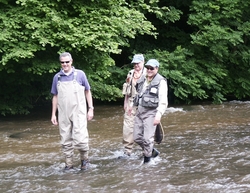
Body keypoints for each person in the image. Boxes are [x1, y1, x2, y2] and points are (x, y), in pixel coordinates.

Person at [50, 52, 94, 170]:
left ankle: (85, 160)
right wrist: (53, 114)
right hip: (63, 113)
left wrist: (91, 108)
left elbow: (87, 91)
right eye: (62, 62)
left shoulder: (80, 74)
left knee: (80, 139)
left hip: (79, 112)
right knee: (65, 140)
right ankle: (69, 164)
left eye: (67, 62)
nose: (65, 64)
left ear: (71, 61)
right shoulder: (57, 77)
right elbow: (55, 96)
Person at [133, 59, 168, 163]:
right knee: (136, 137)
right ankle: (152, 151)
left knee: (147, 139)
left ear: (157, 69)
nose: (149, 70)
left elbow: (163, 101)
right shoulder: (143, 79)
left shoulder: (161, 82)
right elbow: (137, 95)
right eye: (148, 68)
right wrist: (132, 106)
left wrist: (159, 115)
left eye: (152, 68)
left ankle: (147, 161)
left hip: (151, 113)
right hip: (139, 111)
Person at [119, 54, 147, 158]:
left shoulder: (148, 73)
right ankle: (128, 151)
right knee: (127, 128)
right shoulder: (130, 73)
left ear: (143, 62)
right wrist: (125, 104)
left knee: (143, 128)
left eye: (138, 63)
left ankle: (146, 150)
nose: (136, 65)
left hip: (144, 104)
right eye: (134, 63)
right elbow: (127, 90)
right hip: (131, 104)